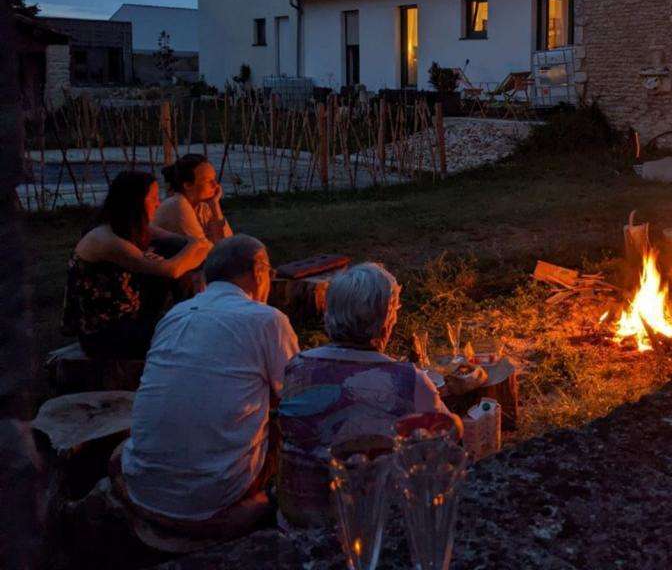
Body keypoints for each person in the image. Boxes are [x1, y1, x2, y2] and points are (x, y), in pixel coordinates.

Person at [119, 235, 299, 539]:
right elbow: (298, 396)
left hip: (144, 490)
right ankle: (266, 500)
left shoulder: (173, 316)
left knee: (117, 455)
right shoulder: (267, 320)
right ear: (259, 272)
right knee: (286, 420)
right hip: (214, 498)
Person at [277, 262, 457, 528]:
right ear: (387, 318)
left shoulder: (298, 367)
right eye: (394, 310)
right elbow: (446, 444)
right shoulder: (409, 380)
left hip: (299, 520)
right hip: (373, 524)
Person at [64, 170, 211, 359]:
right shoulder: (105, 238)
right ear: (135, 201)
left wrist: (193, 247)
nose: (158, 203)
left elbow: (182, 243)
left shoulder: (132, 228)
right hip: (105, 333)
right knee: (190, 332)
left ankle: (195, 315)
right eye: (153, 198)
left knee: (172, 249)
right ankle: (194, 321)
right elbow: (172, 270)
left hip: (131, 317)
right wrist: (195, 246)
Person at [154, 153, 233, 244]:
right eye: (208, 181)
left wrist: (215, 206)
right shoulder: (177, 204)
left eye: (214, 179)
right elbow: (202, 248)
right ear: (187, 185)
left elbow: (229, 243)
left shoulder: (203, 206)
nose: (215, 185)